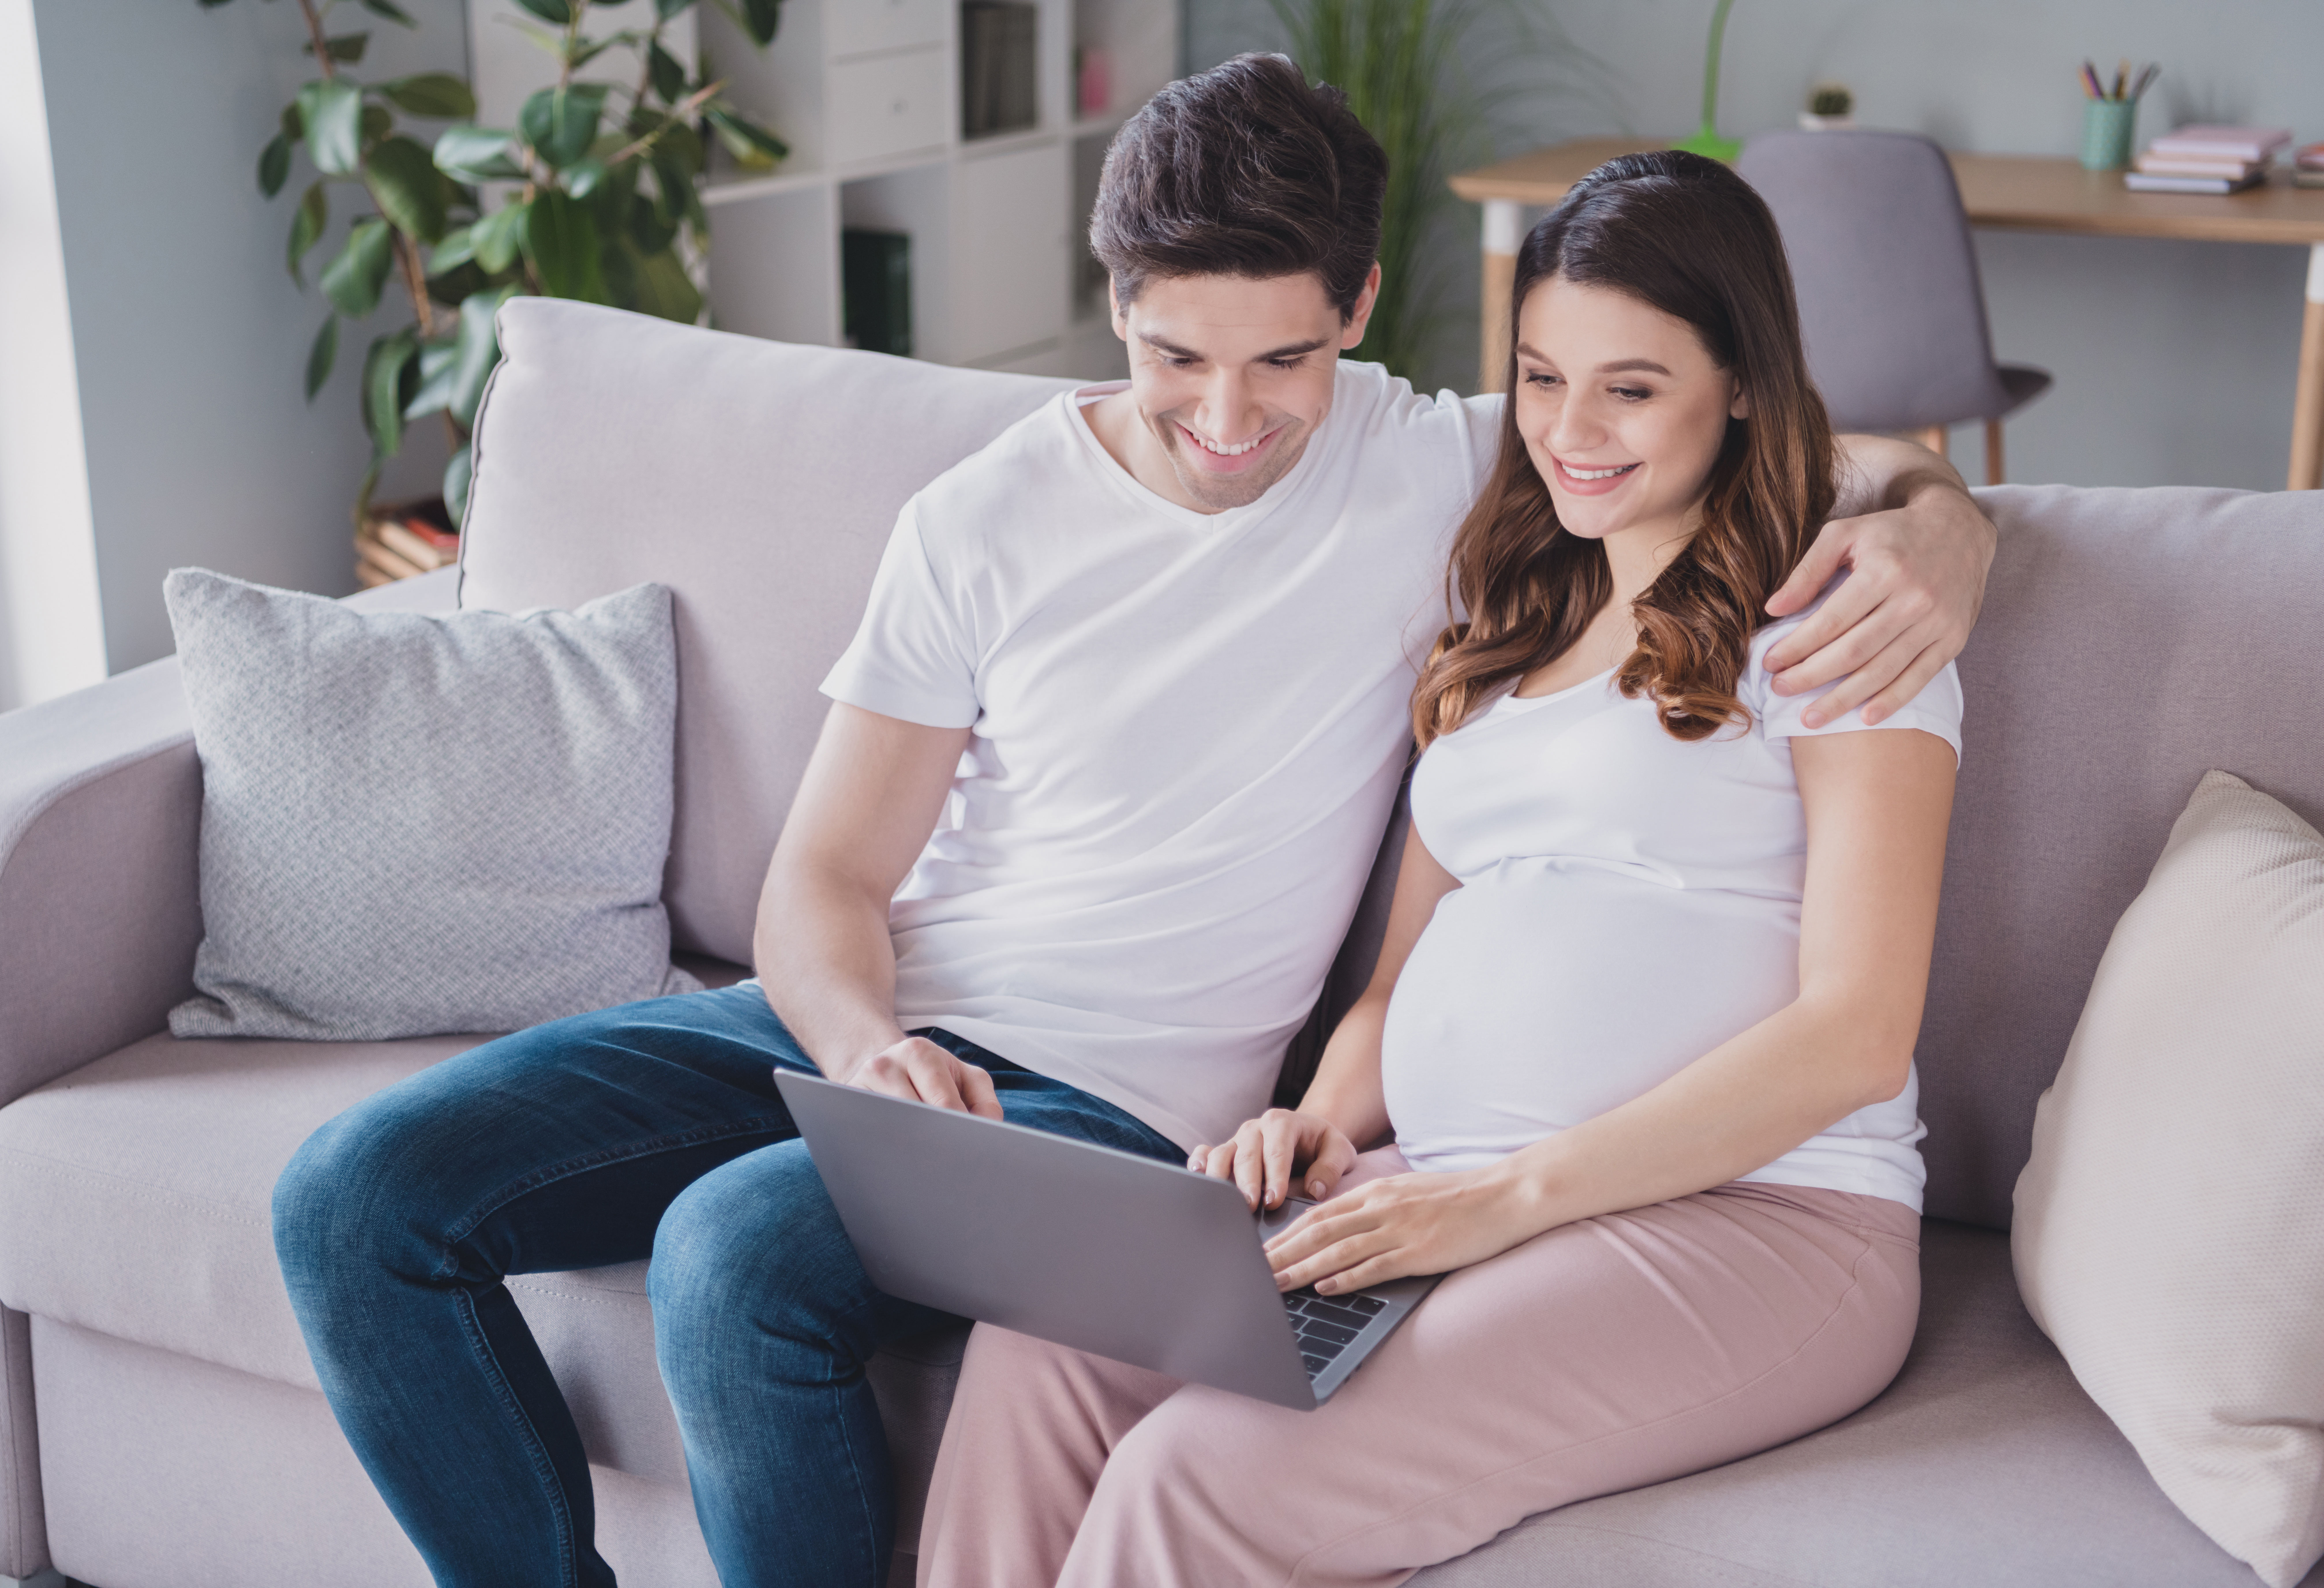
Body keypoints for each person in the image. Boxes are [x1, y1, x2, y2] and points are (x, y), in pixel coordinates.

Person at [269, 59, 1992, 1588]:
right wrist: (867, 1049)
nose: (1232, 418)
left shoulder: (1450, 467)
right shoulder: (1001, 517)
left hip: (1119, 1101)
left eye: (1284, 359)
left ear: (1365, 310)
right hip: (903, 1041)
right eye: (1176, 354)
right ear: (1112, 306)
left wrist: (1943, 519)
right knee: (352, 1202)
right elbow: (828, 880)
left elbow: (1783, 452)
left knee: (734, 1256)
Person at [914, 147, 1960, 1588]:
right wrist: (1320, 1125)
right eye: (1539, 376)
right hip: (1446, 1184)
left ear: (1742, 385)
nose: (1569, 430)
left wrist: (1504, 1197)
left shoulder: (1836, 635)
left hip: (1763, 1216)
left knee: (1202, 1477)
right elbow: (1397, 981)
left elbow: (1857, 1032)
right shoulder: (1500, 632)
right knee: (1047, 1341)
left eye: (1633, 386)